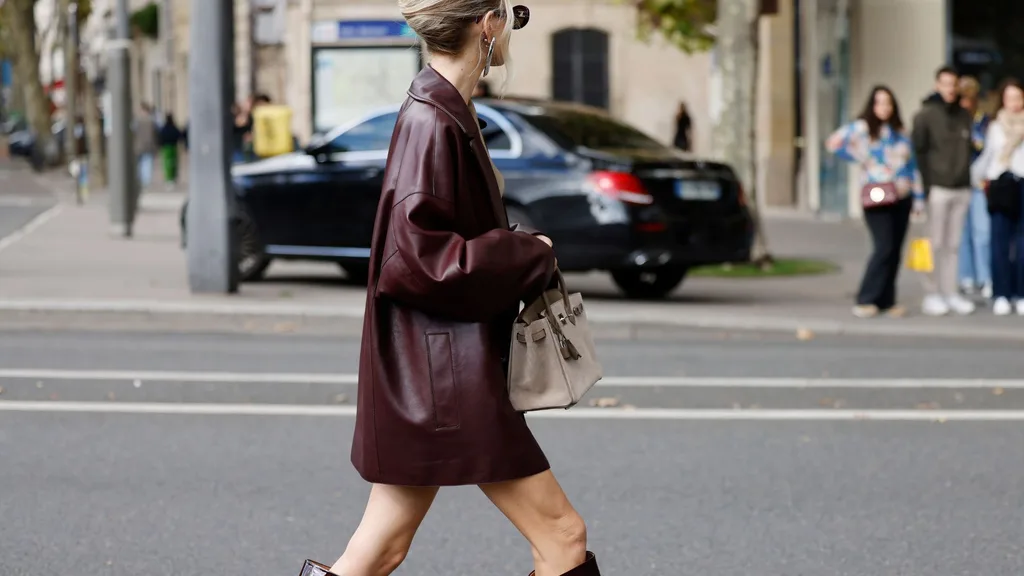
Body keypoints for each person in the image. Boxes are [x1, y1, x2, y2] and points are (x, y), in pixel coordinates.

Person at [303, 2, 601, 576]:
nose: (513, 26)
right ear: (486, 24)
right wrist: (527, 252)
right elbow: (415, 258)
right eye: (512, 13)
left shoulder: (442, 107)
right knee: (563, 537)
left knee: (378, 551)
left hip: (434, 368)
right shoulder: (432, 118)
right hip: (448, 376)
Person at [827, 86, 921, 319]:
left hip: (901, 194)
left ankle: (887, 300)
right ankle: (866, 297)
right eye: (879, 103)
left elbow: (912, 166)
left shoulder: (900, 132)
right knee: (883, 246)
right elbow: (834, 143)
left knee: (895, 249)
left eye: (888, 103)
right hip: (877, 193)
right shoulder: (862, 129)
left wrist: (918, 198)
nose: (884, 108)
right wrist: (861, 158)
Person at [911, 65, 977, 316]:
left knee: (954, 244)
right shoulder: (926, 115)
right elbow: (919, 151)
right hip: (938, 187)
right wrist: (927, 186)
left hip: (961, 187)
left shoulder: (963, 114)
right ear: (937, 85)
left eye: (954, 84)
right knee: (934, 243)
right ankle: (932, 292)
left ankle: (950, 292)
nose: (950, 89)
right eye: (945, 84)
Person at [971, 77, 1024, 316]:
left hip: (1022, 182)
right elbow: (988, 157)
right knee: (999, 242)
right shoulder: (994, 126)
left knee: (1022, 243)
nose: (1014, 103)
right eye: (1009, 98)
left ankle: (1020, 293)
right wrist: (975, 178)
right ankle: (1001, 292)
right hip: (1001, 184)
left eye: (1018, 98)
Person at [956, 76, 993, 298]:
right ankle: (966, 276)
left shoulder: (985, 122)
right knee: (962, 232)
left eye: (969, 98)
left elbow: (988, 151)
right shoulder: (954, 121)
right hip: (958, 182)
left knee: (982, 231)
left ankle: (985, 276)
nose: (965, 103)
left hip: (979, 183)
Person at [134, 103, 158, 192]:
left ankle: (140, 180)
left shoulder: (137, 121)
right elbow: (157, 132)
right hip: (149, 145)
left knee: (140, 164)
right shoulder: (153, 121)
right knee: (147, 163)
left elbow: (133, 132)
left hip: (139, 145)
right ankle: (146, 182)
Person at [157, 113, 182, 188]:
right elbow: (179, 135)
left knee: (167, 163)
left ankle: (168, 178)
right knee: (173, 162)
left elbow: (160, 136)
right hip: (173, 146)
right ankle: (172, 177)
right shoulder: (173, 127)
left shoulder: (164, 128)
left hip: (166, 147)